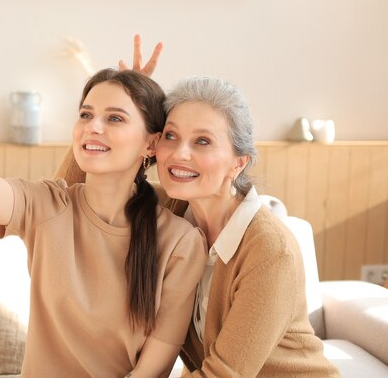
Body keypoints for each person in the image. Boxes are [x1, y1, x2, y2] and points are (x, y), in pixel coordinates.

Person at [0, 32, 207, 378]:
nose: (92, 127)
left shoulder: (180, 242)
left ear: (151, 144)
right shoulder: (48, 205)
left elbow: (163, 348)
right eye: (85, 115)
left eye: (114, 118)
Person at [57, 37, 342, 378]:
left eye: (202, 141)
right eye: (171, 136)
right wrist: (125, 105)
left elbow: (222, 375)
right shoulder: (166, 209)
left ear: (238, 162)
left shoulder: (270, 250)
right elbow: (67, 203)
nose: (180, 154)